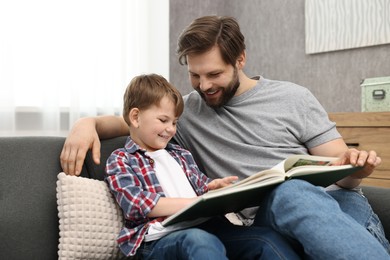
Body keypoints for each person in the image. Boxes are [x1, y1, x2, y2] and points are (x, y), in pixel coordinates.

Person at [61, 16, 390, 259]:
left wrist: (356, 169)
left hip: (336, 208)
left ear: (240, 60)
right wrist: (86, 123)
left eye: (214, 74)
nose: (204, 86)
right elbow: (133, 121)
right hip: (266, 219)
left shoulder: (294, 98)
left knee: (293, 191)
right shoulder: (185, 112)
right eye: (194, 75)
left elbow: (342, 174)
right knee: (284, 200)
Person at [105, 73, 300, 259]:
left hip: (207, 226)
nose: (170, 129)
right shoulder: (122, 159)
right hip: (161, 238)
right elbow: (136, 203)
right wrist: (192, 204)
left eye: (174, 122)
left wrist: (213, 188)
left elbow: (200, 185)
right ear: (136, 117)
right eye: (164, 120)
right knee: (199, 241)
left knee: (265, 239)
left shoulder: (180, 154)